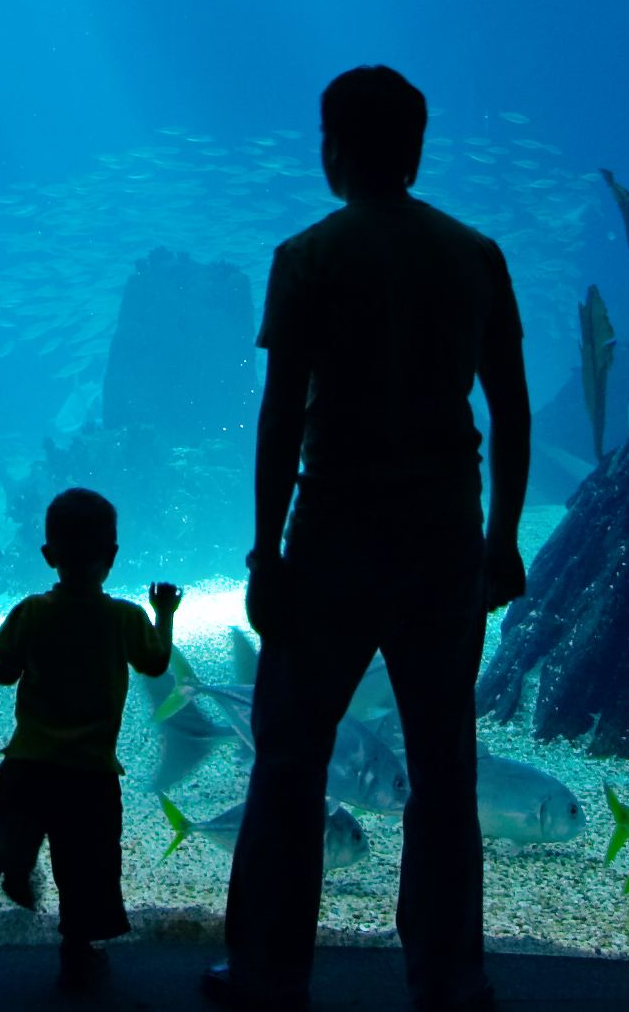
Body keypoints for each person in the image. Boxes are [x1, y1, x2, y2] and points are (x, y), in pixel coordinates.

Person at [204, 66, 531, 1011]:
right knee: (442, 764)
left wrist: (266, 552)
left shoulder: (309, 256)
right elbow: (508, 412)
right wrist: (502, 537)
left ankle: (267, 970)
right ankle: (448, 973)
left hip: (334, 538)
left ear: (335, 148)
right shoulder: (475, 256)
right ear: (417, 149)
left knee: (291, 758)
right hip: (442, 541)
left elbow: (279, 420)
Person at [0, 488, 180, 990]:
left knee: (21, 815)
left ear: (49, 556)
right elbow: (155, 662)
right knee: (84, 866)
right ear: (111, 556)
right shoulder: (125, 618)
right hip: (89, 772)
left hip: (28, 762)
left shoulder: (33, 611)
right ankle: (76, 953)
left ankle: (5, 849)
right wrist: (165, 612)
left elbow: (4, 672)